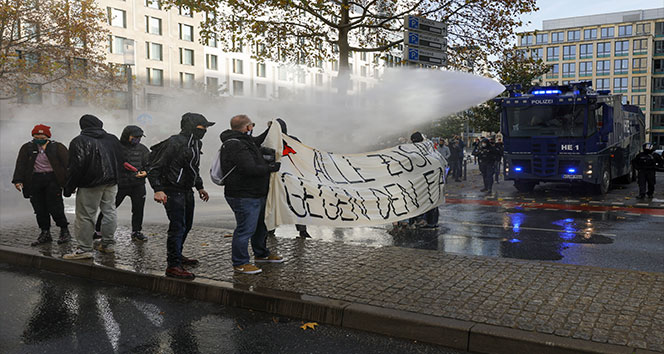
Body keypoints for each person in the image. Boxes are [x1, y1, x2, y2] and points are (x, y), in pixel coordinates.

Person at [148, 113, 214, 280]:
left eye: (206, 127)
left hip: (187, 190)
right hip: (172, 190)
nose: (205, 130)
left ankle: (178, 254)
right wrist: (158, 189)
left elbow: (193, 168)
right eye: (202, 127)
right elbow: (155, 168)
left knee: (187, 225)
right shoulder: (174, 142)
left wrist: (199, 187)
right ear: (191, 126)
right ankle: (173, 265)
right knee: (177, 227)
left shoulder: (196, 143)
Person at [220, 114, 283, 275]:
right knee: (245, 229)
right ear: (248, 127)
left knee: (260, 227)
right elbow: (249, 169)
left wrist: (271, 129)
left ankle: (261, 254)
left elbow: (258, 141)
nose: (253, 128)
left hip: (255, 193)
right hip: (243, 195)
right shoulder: (236, 145)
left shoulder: (244, 141)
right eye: (252, 125)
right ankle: (240, 263)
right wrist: (271, 167)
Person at [63, 115, 123, 260]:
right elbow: (121, 159)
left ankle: (84, 249)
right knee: (109, 212)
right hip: (111, 181)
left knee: (85, 215)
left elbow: (75, 167)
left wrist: (69, 187)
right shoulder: (112, 139)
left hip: (89, 183)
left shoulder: (79, 141)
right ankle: (108, 244)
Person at [12, 124, 71, 246]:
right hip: (35, 180)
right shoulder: (27, 148)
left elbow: (68, 165)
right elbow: (21, 165)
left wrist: (70, 183)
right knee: (39, 208)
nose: (39, 136)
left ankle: (64, 231)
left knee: (56, 206)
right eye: (36, 134)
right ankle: (45, 233)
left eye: (42, 134)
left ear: (47, 136)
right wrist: (18, 180)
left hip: (52, 179)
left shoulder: (57, 147)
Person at [94, 125, 150, 242]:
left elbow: (149, 165)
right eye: (135, 137)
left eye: (139, 137)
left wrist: (145, 172)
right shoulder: (116, 148)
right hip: (120, 184)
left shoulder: (143, 149)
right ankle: (98, 230)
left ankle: (136, 231)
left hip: (138, 185)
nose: (137, 139)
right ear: (127, 136)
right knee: (110, 208)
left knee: (138, 209)